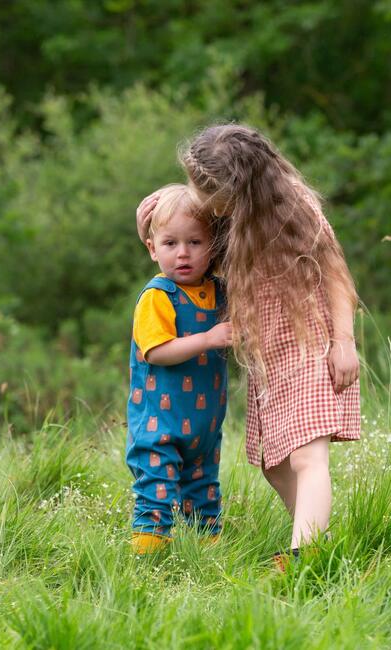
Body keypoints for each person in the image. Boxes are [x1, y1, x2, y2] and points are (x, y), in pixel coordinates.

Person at [136, 125, 360, 564]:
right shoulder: (231, 215)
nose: (198, 197)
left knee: (307, 456)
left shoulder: (296, 208)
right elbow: (184, 249)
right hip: (267, 355)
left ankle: (305, 554)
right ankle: (322, 549)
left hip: (309, 340)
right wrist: (151, 215)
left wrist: (343, 343)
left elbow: (336, 275)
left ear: (235, 187)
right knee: (274, 463)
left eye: (203, 190)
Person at [127, 183, 233, 555]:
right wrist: (209, 338)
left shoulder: (219, 291)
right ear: (152, 248)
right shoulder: (158, 296)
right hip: (159, 423)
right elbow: (156, 352)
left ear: (213, 247)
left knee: (203, 488)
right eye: (170, 244)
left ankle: (206, 556)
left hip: (204, 424)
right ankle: (147, 560)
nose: (183, 254)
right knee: (156, 490)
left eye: (195, 242)